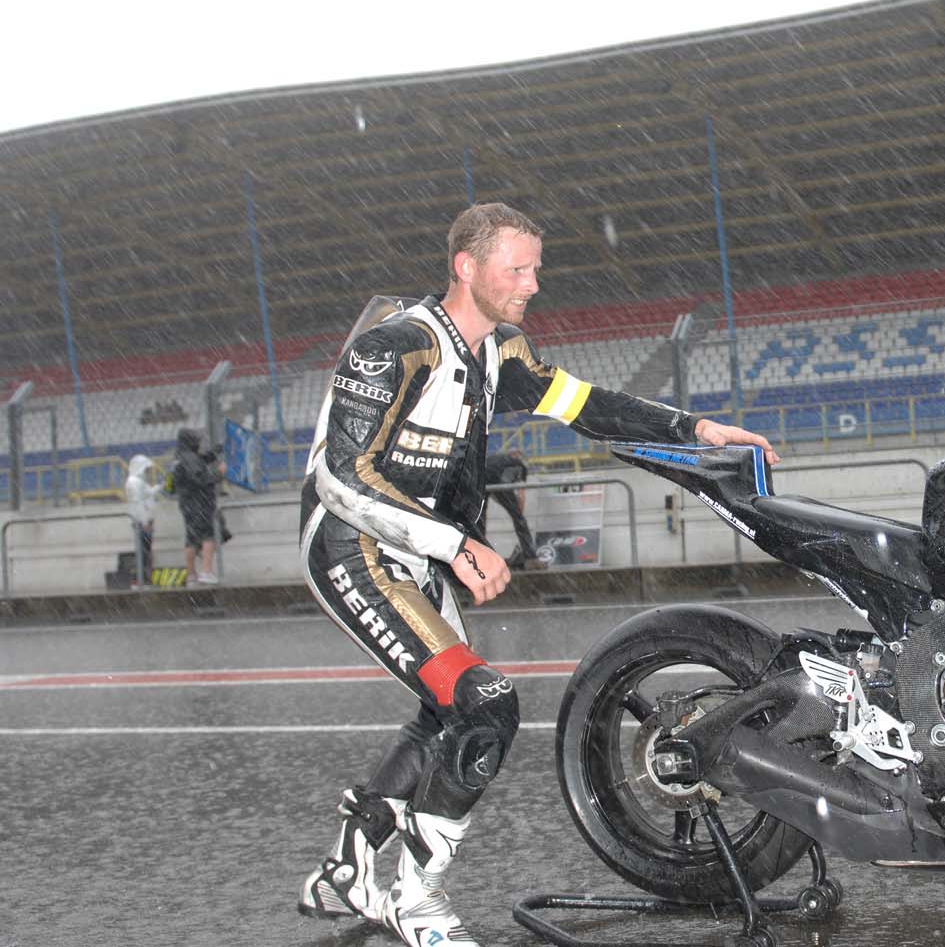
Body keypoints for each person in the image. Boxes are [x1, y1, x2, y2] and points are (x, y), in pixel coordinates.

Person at [297, 201, 779, 947]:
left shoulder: (502, 352)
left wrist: (695, 430)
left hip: (420, 553)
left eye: (535, 269)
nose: (530, 284)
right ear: (466, 266)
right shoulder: (391, 348)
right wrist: (454, 543)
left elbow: (587, 404)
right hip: (353, 546)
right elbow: (340, 477)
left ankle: (346, 869)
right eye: (515, 269)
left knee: (444, 711)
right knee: (485, 705)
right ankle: (413, 898)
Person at [170, 428, 222, 585]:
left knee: (191, 539)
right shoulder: (189, 458)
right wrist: (219, 474)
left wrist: (214, 452)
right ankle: (206, 571)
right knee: (207, 535)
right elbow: (200, 478)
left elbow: (199, 461)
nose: (199, 443)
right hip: (199, 503)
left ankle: (191, 575)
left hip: (187, 504)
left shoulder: (180, 457)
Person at [481, 449, 539, 569]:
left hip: (481, 476)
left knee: (480, 520)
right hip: (498, 480)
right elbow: (520, 493)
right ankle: (530, 557)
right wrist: (517, 513)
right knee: (519, 519)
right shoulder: (520, 465)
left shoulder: (495, 460)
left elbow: (495, 493)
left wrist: (508, 504)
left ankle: (480, 558)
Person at [123, 454, 158, 586]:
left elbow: (149, 493)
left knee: (146, 551)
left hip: (145, 521)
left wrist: (163, 485)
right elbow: (137, 504)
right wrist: (144, 522)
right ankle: (140, 578)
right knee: (143, 552)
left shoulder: (138, 481)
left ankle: (144, 578)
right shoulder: (134, 482)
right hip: (141, 522)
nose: (148, 472)